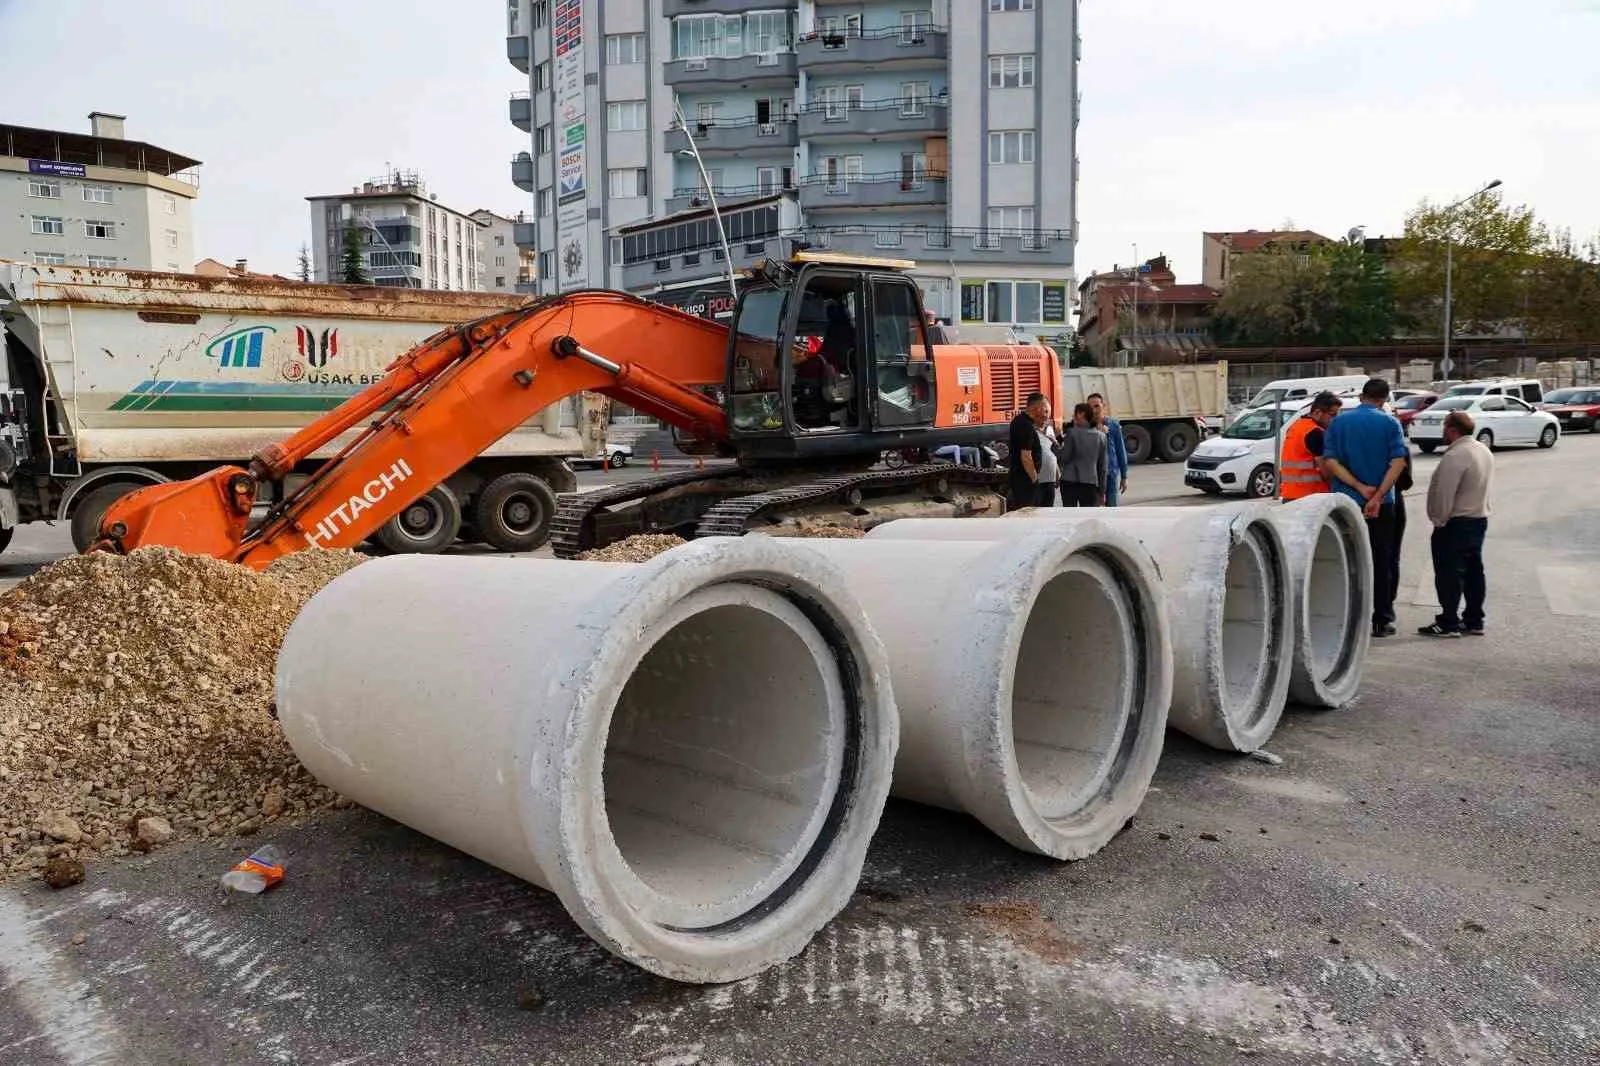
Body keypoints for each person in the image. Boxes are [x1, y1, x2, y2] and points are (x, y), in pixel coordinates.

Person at [1321, 378, 1409, 637]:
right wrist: (1377, 496)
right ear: (1383, 399)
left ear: (1362, 396)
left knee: (1347, 560)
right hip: (1383, 505)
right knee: (1382, 561)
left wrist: (1359, 487)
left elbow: (1331, 462)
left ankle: (1348, 619)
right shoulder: (1390, 423)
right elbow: (1397, 463)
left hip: (1345, 501)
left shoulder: (1339, 422)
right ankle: (1382, 619)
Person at [1419, 410, 1493, 637]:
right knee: (1473, 573)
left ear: (1452, 430)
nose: (1443, 431)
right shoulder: (1482, 449)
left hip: (1456, 523)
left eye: (1444, 427)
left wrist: (1439, 520)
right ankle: (1474, 620)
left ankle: (1449, 622)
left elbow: (1445, 492)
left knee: (1449, 574)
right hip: (1478, 519)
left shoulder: (1456, 455)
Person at [1279, 391, 1342, 499]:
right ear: (1317, 413)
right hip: (1312, 497)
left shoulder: (1297, 426)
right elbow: (1326, 472)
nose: (1335, 419)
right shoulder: (1315, 433)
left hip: (1290, 494)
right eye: (1332, 415)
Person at [1054, 403, 1107, 507]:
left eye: (1075, 413)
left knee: (1070, 516)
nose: (1073, 416)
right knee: (1087, 516)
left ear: (1081, 414)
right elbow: (1103, 467)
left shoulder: (1072, 433)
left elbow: (1064, 457)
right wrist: (1102, 491)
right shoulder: (1101, 436)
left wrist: (1054, 446)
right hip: (1090, 482)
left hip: (1069, 481)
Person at [1006, 393, 1050, 510]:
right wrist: (1034, 479)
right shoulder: (1026, 426)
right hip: (1025, 480)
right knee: (1028, 513)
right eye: (1045, 411)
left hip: (1019, 477)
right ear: (1038, 407)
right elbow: (1026, 456)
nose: (1046, 415)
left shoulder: (1019, 421)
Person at [1087, 393, 1129, 506]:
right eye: (1090, 407)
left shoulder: (1113, 425)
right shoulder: (1084, 427)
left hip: (1111, 474)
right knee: (1093, 510)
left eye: (1097, 406)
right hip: (1091, 477)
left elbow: (1120, 450)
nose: (1094, 410)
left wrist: (1124, 476)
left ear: (1103, 406)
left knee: (1112, 508)